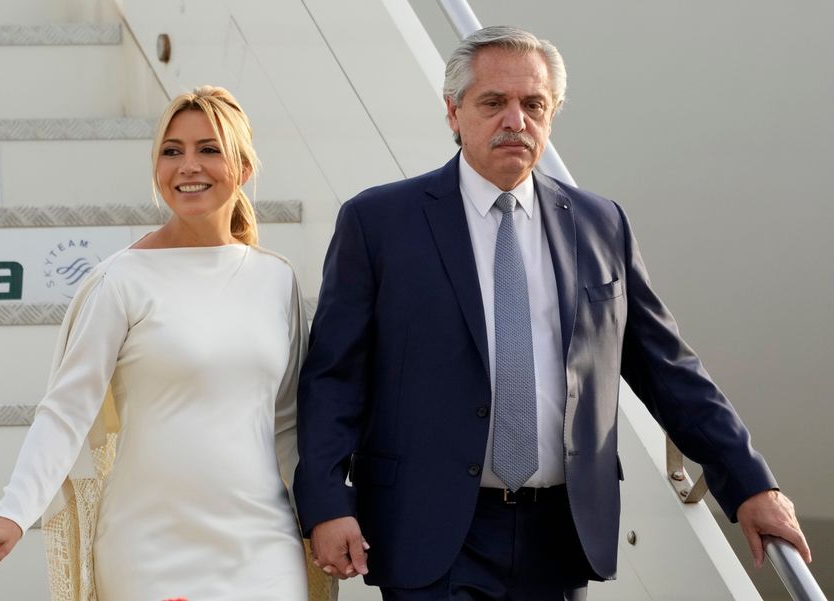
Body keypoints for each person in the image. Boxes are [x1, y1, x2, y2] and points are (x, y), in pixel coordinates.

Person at [293, 26, 811, 600]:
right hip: (429, 530)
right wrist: (326, 502)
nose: (515, 120)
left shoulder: (600, 225)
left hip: (559, 538)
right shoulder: (379, 222)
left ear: (552, 113)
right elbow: (334, 376)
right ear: (453, 112)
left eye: (533, 104)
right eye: (493, 103)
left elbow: (668, 369)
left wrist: (749, 484)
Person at [0, 86, 316, 600]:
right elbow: (67, 410)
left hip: (264, 544)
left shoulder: (277, 279)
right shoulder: (121, 280)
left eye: (209, 149)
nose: (188, 166)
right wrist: (15, 511)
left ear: (244, 168)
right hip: (151, 547)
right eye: (171, 151)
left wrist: (323, 516)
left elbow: (288, 423)